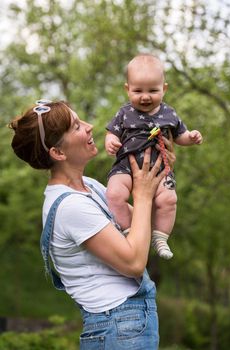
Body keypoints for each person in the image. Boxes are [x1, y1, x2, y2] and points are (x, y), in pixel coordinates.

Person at [9, 99, 175, 349]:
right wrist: (141, 195)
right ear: (58, 152)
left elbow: (144, 226)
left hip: (128, 323)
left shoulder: (91, 187)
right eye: (76, 126)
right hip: (118, 326)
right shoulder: (71, 207)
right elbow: (133, 261)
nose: (89, 126)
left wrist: (159, 176)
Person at [105, 53, 203, 260]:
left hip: (160, 167)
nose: (145, 96)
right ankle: (128, 230)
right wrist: (110, 141)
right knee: (114, 194)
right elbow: (112, 131)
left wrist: (191, 137)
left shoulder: (169, 114)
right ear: (127, 89)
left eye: (153, 90)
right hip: (125, 164)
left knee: (169, 199)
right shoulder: (124, 113)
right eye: (138, 90)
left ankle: (160, 237)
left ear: (164, 89)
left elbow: (179, 136)